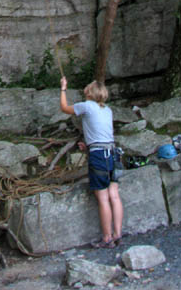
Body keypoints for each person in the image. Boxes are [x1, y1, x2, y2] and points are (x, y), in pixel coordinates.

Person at [60, 75, 124, 249]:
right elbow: (101, 132)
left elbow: (65, 108)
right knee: (114, 196)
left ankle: (106, 238)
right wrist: (88, 146)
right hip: (113, 153)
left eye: (87, 87)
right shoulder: (107, 110)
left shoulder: (86, 106)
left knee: (103, 198)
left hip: (99, 156)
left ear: (90, 92)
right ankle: (118, 234)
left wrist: (63, 88)